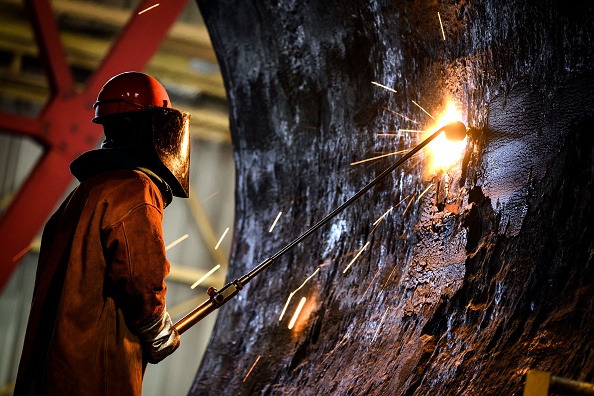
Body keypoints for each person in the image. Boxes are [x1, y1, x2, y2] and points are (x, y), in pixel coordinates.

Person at [14, 71, 191, 395]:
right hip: (93, 379)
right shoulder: (136, 189)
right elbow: (141, 275)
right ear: (153, 125)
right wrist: (156, 328)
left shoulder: (81, 197)